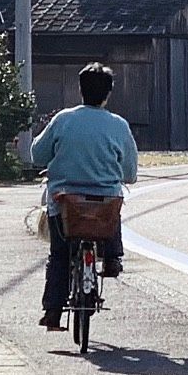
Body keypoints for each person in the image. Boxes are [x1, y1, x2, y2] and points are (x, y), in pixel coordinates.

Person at [34, 62, 140, 330]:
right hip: (104, 204)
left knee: (59, 255)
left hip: (65, 201)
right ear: (108, 93)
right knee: (112, 206)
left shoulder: (63, 119)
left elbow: (37, 155)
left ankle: (53, 312)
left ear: (80, 90)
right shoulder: (119, 125)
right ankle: (113, 257)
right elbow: (129, 172)